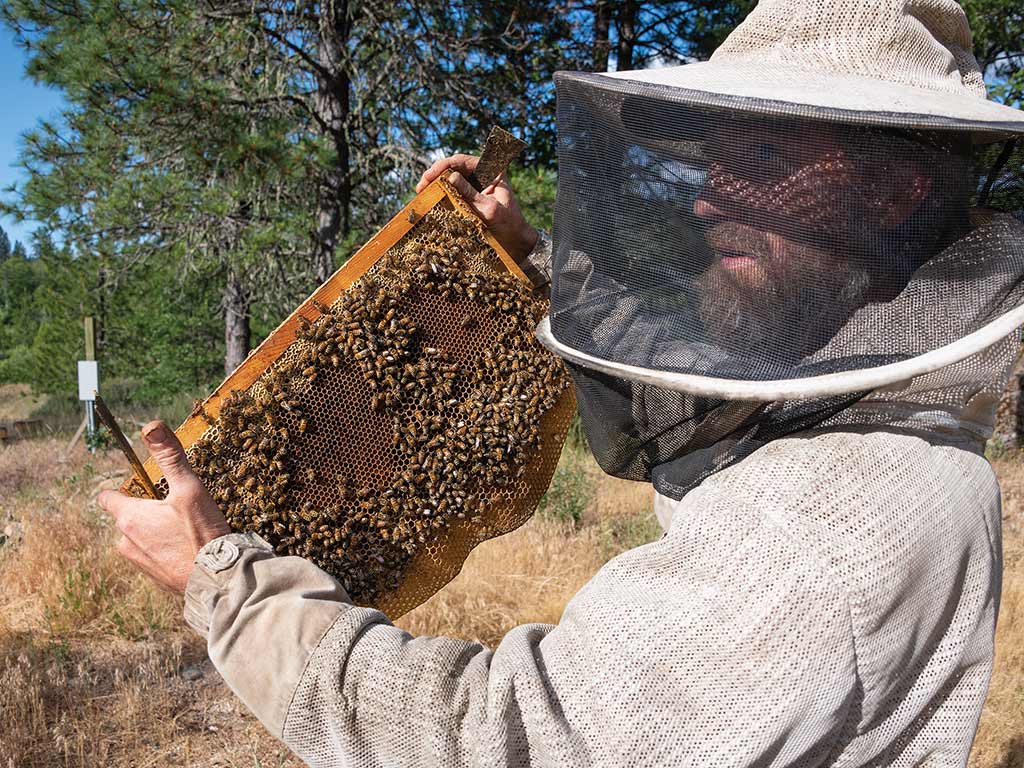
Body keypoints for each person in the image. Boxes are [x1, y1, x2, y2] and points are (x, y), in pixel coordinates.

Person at [99, 0, 1024, 765]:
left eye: (769, 161)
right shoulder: (858, 418)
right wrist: (522, 260)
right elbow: (685, 404)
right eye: (716, 158)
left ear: (896, 192)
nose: (706, 199)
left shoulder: (831, 527)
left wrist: (228, 584)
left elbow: (500, 740)